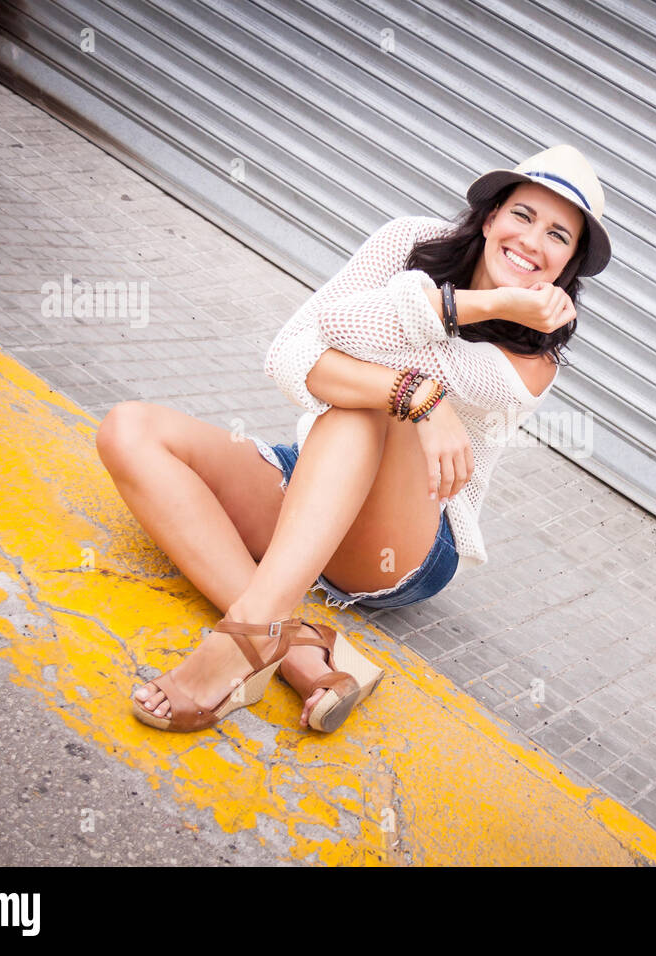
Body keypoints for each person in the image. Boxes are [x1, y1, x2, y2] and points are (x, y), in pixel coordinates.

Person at [95, 144, 612, 734]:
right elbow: (290, 354)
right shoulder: (409, 242)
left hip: (407, 540)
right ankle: (291, 649)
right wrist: (448, 357)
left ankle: (233, 649)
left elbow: (340, 336)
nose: (531, 242)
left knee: (375, 406)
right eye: (523, 215)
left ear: (568, 265)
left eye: (558, 236)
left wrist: (419, 391)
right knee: (128, 430)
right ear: (491, 216)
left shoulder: (534, 360)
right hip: (315, 478)